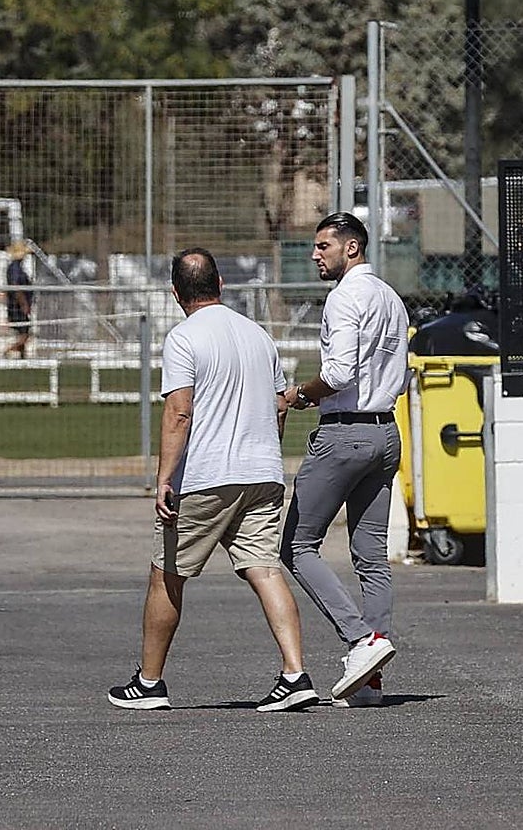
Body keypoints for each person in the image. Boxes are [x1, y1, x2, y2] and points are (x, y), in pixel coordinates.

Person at [108, 247, 320, 714]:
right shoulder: (258, 335)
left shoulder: (184, 338)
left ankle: (149, 682)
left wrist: (164, 478)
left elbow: (179, 412)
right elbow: (279, 405)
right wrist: (264, 451)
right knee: (266, 569)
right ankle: (295, 673)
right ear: (221, 284)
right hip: (263, 474)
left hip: (206, 477)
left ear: (175, 292)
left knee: (168, 573)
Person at [282, 211, 409, 708]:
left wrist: (299, 395)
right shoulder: (390, 297)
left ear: (350, 248)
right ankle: (370, 683)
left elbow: (337, 373)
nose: (315, 255)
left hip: (345, 433)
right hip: (386, 432)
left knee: (297, 545)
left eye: (323, 246)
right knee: (371, 556)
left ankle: (361, 640)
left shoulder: (344, 297)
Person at [3, 243, 34, 358]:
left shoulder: (17, 267)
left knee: (24, 331)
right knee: (24, 333)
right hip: (17, 306)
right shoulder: (15, 268)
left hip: (17, 305)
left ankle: (23, 356)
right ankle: (9, 351)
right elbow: (16, 287)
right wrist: (24, 304)